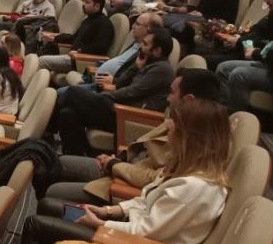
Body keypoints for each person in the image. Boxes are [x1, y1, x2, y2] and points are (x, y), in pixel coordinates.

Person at [21, 98, 230, 244]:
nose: (168, 130)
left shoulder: (195, 188)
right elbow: (146, 201)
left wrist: (102, 224)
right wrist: (110, 211)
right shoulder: (184, 169)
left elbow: (147, 233)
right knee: (48, 206)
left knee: (36, 225)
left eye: (174, 126)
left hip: (132, 242)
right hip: (128, 225)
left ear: (190, 138)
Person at [46, 68, 222, 206]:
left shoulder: (192, 138)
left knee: (53, 191)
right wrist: (118, 158)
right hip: (124, 167)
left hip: (125, 186)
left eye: (172, 92)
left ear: (189, 100)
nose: (168, 99)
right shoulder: (178, 117)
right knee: (58, 148)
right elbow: (144, 149)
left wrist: (114, 164)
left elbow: (155, 179)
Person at [55, 27, 176, 156]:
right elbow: (120, 83)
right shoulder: (148, 62)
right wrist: (136, 66)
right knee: (67, 113)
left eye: (145, 44)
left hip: (129, 116)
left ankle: (47, 130)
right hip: (120, 108)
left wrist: (104, 96)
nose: (140, 46)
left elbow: (131, 92)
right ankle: (75, 157)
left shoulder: (162, 69)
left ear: (157, 51)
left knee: (73, 93)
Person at [62, 12, 164, 96]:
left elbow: (132, 81)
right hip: (99, 83)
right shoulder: (135, 44)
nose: (132, 26)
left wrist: (114, 81)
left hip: (109, 89)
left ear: (149, 29)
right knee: (62, 97)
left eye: (137, 24)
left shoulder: (147, 53)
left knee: (65, 95)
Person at [38, 0, 115, 73]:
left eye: (87, 2)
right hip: (74, 56)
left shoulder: (104, 24)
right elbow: (74, 38)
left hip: (83, 61)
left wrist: (80, 51)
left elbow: (100, 48)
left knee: (41, 61)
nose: (83, 4)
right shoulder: (88, 20)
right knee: (38, 54)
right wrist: (54, 38)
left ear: (97, 6)